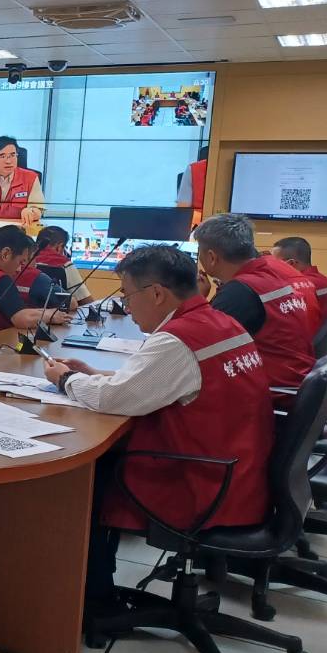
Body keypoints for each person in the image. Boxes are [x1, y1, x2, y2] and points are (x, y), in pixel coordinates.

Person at [41, 245, 273, 607]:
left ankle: (95, 601)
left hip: (204, 484)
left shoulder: (177, 341)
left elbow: (113, 400)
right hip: (242, 474)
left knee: (86, 476)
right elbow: (168, 381)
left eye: (127, 295)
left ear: (157, 294)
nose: (126, 306)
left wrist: (65, 379)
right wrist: (95, 374)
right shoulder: (219, 322)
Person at [195, 213, 315, 393]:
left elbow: (196, 347)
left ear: (212, 257)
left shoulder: (240, 292)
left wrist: (196, 300)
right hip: (294, 383)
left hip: (274, 393)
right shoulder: (271, 274)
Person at [272, 236, 327, 322]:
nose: (271, 266)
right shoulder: (321, 278)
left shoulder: (302, 285)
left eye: (275, 262)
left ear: (291, 263)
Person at [31, 225, 93, 307]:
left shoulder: (27, 262)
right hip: (58, 313)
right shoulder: (65, 265)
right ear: (59, 247)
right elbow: (86, 301)